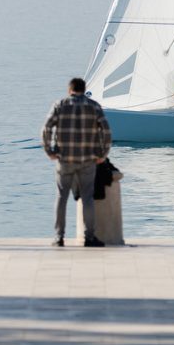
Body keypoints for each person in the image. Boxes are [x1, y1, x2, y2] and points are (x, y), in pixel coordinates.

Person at [41, 77, 111, 248]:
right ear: (84, 89)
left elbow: (46, 128)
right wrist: (102, 153)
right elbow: (106, 131)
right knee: (87, 198)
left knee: (61, 197)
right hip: (88, 160)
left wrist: (49, 151)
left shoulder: (60, 105)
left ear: (69, 90)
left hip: (64, 159)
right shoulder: (94, 106)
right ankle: (89, 237)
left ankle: (59, 238)